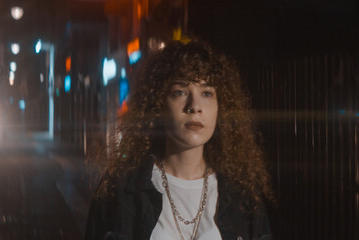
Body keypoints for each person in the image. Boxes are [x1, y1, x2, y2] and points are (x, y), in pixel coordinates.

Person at [86, 40, 273, 240]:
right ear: (158, 105)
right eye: (180, 92)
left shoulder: (242, 196)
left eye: (207, 93)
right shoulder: (121, 190)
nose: (194, 106)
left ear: (221, 108)